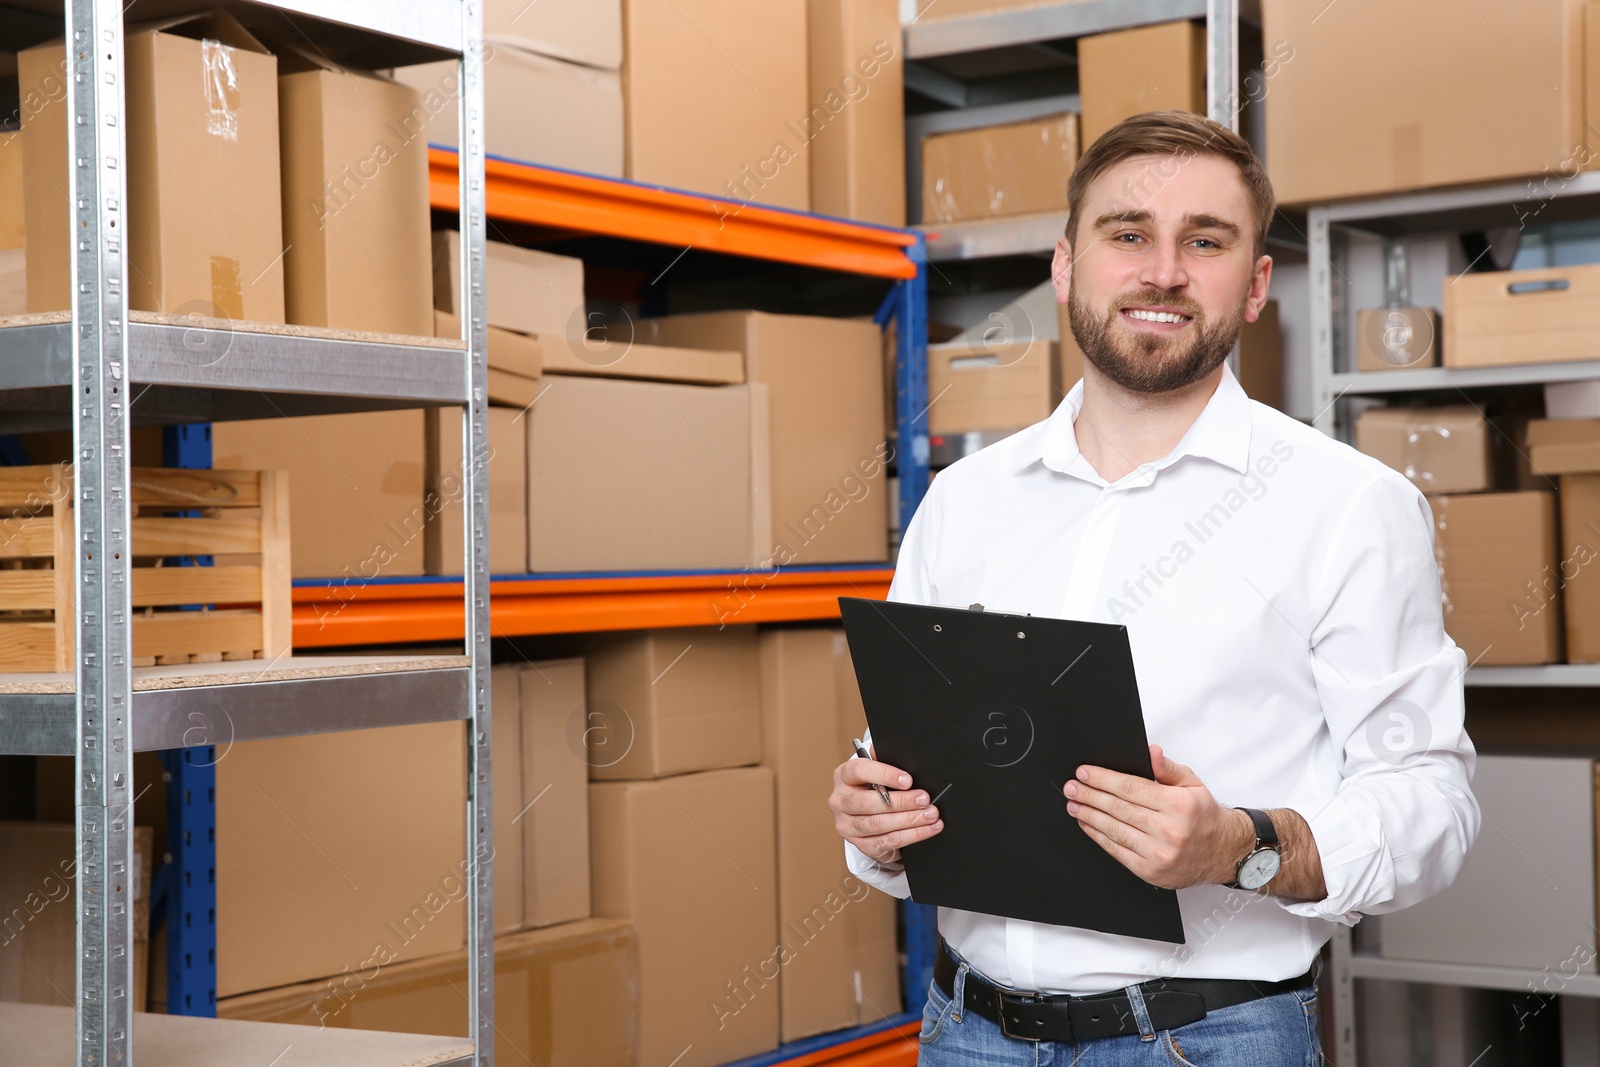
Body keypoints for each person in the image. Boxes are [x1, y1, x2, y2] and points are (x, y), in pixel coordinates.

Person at [828, 110, 1479, 1065]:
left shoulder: (1348, 506)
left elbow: (1434, 801)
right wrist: (875, 823)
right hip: (966, 1034)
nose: (1162, 270)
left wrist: (1239, 846)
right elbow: (912, 757)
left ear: (1256, 283)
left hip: (1209, 1039)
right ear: (1064, 264)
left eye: (1204, 241)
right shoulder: (963, 503)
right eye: (1127, 233)